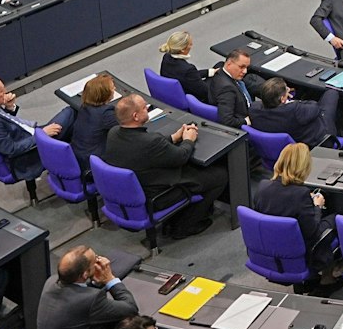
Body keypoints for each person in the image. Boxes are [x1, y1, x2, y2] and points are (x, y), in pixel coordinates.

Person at [101, 94, 226, 238]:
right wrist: (188, 140)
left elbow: (148, 149)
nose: (147, 108)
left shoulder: (114, 133)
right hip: (158, 193)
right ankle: (184, 226)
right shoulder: (150, 142)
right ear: (135, 116)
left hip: (139, 186)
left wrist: (174, 137)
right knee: (219, 176)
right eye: (144, 107)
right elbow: (181, 157)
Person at [38, 245, 139, 329]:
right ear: (85, 274)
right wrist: (110, 279)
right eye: (95, 261)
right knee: (126, 328)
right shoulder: (91, 300)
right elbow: (130, 308)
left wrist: (94, 282)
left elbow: (78, 293)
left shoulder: (51, 282)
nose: (99, 261)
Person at [0, 76, 71, 181]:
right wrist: (42, 134)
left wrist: (9, 107)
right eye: (0, 91)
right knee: (71, 112)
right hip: (29, 153)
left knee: (72, 116)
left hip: (28, 134)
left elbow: (4, 123)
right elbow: (11, 149)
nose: (5, 92)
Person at [254, 143, 336, 272]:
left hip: (272, 246)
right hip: (299, 248)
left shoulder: (262, 186)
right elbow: (312, 232)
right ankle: (327, 277)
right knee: (337, 218)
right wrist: (317, 206)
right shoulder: (301, 194)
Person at [250, 77, 339, 147]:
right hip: (317, 141)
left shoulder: (254, 109)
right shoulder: (294, 109)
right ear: (282, 99)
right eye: (286, 91)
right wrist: (294, 102)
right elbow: (315, 107)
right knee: (332, 93)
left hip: (279, 148)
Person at [68, 74, 121, 167]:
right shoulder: (105, 113)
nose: (115, 89)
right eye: (113, 88)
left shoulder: (84, 107)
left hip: (77, 157)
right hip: (94, 165)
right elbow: (126, 123)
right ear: (104, 94)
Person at [207, 48, 256, 124]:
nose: (245, 71)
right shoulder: (227, 89)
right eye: (241, 67)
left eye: (247, 67)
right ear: (229, 63)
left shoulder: (220, 73)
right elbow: (226, 121)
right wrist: (246, 121)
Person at [159, 31, 209, 101]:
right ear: (182, 49)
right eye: (190, 44)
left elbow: (189, 76)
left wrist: (209, 72)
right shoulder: (188, 69)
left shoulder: (167, 57)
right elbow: (205, 92)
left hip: (175, 93)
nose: (192, 46)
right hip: (195, 98)